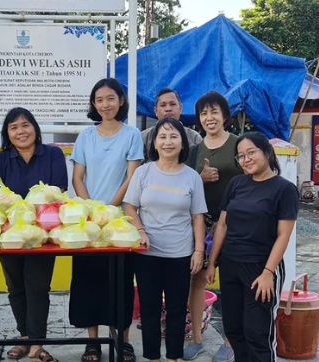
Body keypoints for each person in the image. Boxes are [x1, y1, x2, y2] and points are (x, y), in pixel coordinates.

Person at [205, 131, 299, 362]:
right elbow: (223, 225)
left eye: (251, 153)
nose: (245, 159)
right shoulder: (237, 184)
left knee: (258, 333)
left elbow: (283, 236)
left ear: (266, 152)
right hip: (230, 265)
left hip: (260, 269)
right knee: (234, 329)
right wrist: (211, 263)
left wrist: (268, 273)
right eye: (240, 156)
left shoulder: (284, 189)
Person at [69, 78, 144, 362]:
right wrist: (91, 210)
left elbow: (132, 176)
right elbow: (78, 177)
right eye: (99, 100)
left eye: (110, 98)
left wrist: (110, 210)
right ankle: (93, 342)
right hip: (88, 221)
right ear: (94, 104)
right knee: (89, 281)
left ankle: (123, 341)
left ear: (121, 101)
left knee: (121, 281)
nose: (105, 104)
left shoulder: (132, 134)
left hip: (120, 220)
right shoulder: (86, 136)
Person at [124, 118, 207, 362]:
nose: (168, 142)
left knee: (177, 309)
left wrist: (199, 251)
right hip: (147, 254)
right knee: (148, 309)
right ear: (154, 143)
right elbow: (129, 207)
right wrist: (139, 230)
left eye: (173, 137)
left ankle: (173, 357)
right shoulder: (143, 172)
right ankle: (152, 357)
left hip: (180, 254)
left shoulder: (192, 177)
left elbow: (198, 217)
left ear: (183, 144)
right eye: (162, 137)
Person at [0, 107, 68, 362]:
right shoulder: (1, 159)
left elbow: (58, 191)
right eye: (13, 127)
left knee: (38, 286)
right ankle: (24, 337)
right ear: (7, 134)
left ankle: (37, 344)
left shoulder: (53, 154)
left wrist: (28, 211)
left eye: (25, 125)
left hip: (41, 234)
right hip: (9, 233)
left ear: (35, 127)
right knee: (15, 287)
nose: (20, 131)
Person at [183, 91, 240, 362]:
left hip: (233, 224)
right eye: (204, 113)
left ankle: (229, 342)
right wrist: (198, 177)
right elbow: (182, 186)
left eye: (214, 111)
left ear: (225, 115)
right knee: (197, 280)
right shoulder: (194, 151)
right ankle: (196, 337)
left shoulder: (240, 145)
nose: (209, 117)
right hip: (201, 224)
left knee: (230, 282)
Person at [141, 88, 202, 161]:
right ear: (156, 111)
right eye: (163, 105)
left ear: (181, 108)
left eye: (172, 104)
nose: (168, 109)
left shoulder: (194, 138)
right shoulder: (143, 137)